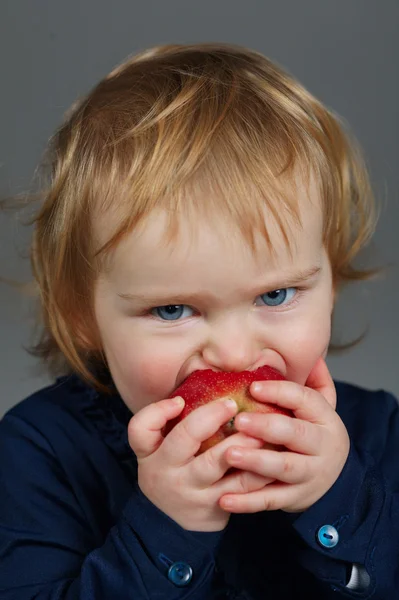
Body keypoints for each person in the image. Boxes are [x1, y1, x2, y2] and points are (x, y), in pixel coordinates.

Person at [0, 43, 397, 599]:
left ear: (330, 282)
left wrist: (340, 500)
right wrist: (167, 528)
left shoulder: (378, 433)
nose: (234, 354)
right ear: (81, 317)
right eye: (172, 309)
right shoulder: (37, 454)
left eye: (276, 293)